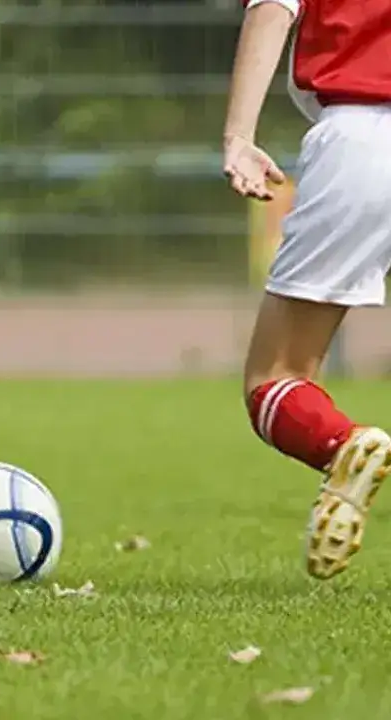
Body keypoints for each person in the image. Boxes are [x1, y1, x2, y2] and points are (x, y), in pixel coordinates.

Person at [222, 0, 391, 580]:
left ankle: (343, 445)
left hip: (362, 140)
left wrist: (239, 135)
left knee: (275, 375)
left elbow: (272, 9)